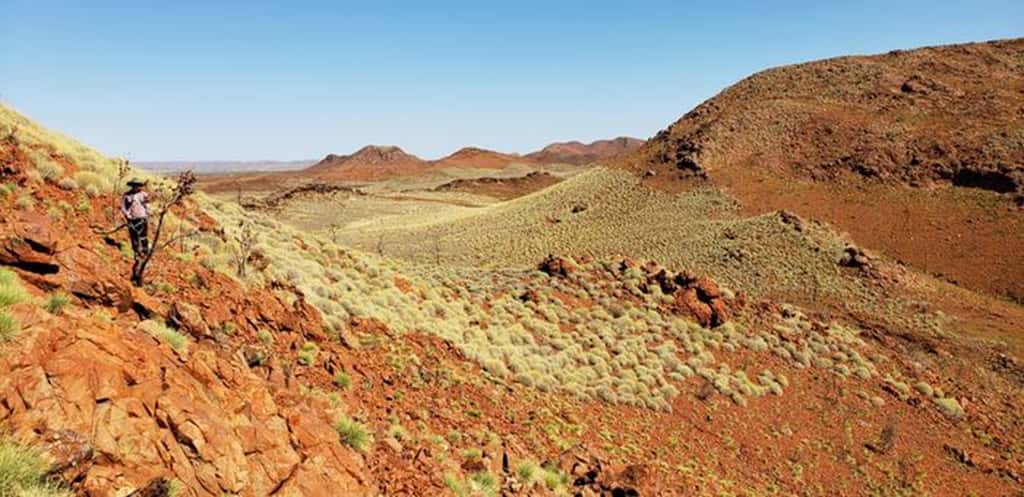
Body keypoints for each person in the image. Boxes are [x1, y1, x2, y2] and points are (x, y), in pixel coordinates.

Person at [121, 179, 151, 282]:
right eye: (134, 185)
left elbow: (147, 205)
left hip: (142, 218)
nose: (136, 187)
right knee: (134, 237)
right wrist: (127, 215)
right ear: (132, 186)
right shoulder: (126, 195)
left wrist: (147, 213)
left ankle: (145, 252)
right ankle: (136, 252)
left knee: (143, 236)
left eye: (137, 185)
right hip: (132, 219)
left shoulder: (144, 195)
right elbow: (123, 207)